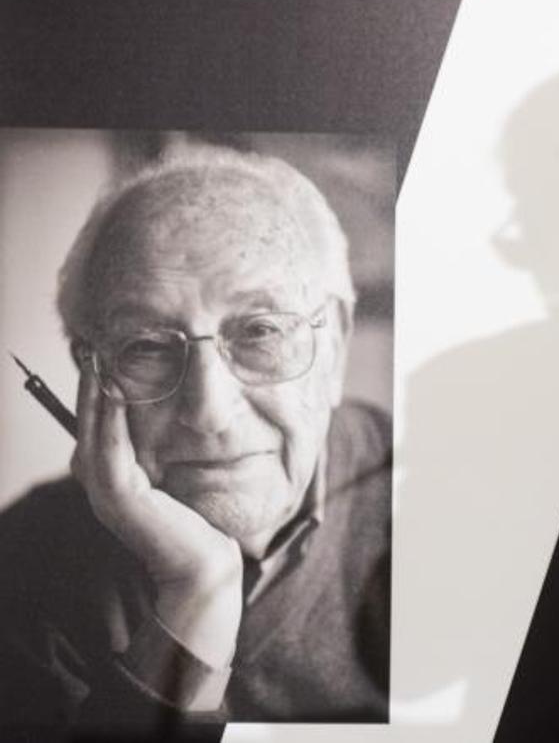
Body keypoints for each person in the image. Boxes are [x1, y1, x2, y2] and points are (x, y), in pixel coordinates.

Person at [0, 148, 391, 733]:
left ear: (332, 346)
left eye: (260, 331)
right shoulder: (25, 562)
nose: (208, 412)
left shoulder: (443, 507)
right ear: (89, 379)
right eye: (148, 347)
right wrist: (194, 595)